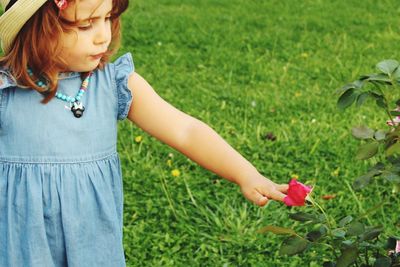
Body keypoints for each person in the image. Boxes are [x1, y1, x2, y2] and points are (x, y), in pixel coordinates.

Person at [0, 0, 289, 266]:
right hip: (21, 243)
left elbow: (185, 130)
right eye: (86, 25)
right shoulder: (6, 90)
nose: (103, 36)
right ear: (36, 27)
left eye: (108, 18)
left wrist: (245, 173)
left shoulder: (113, 84)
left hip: (92, 244)